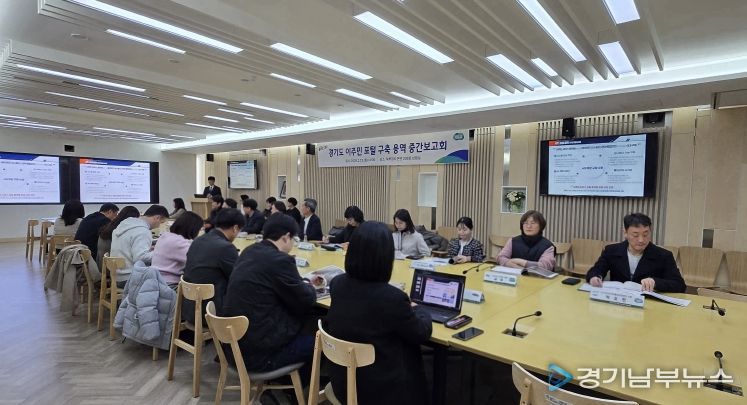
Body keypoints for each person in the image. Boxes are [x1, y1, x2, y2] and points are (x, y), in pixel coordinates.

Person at [326, 221, 432, 404]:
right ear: (385, 258)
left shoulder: (337, 284)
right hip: (378, 394)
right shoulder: (392, 298)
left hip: (342, 383)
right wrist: (420, 309)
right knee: (411, 349)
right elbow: (421, 332)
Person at [222, 213, 317, 373]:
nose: (293, 244)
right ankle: (295, 385)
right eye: (293, 239)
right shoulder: (280, 260)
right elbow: (306, 299)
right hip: (259, 355)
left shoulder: (249, 251)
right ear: (286, 237)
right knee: (320, 340)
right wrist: (310, 285)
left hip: (234, 346)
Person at [586, 213, 686, 293]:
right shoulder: (611, 250)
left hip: (648, 304)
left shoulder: (664, 256)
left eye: (645, 235)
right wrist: (595, 277)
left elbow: (679, 285)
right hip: (618, 302)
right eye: (635, 235)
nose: (641, 240)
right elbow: (595, 270)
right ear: (625, 233)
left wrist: (655, 282)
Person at [182, 208, 245, 323]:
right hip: (210, 312)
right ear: (235, 228)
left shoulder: (198, 240)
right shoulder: (226, 247)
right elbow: (238, 279)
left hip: (189, 308)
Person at [110, 205, 169, 287]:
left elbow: (131, 248)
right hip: (129, 278)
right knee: (167, 281)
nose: (159, 226)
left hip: (117, 276)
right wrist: (161, 252)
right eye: (161, 222)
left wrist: (149, 250)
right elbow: (140, 258)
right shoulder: (142, 231)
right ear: (157, 218)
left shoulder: (126, 224)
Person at [151, 211, 204, 289]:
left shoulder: (166, 236)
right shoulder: (178, 243)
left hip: (156, 281)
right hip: (169, 285)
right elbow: (197, 261)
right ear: (193, 229)